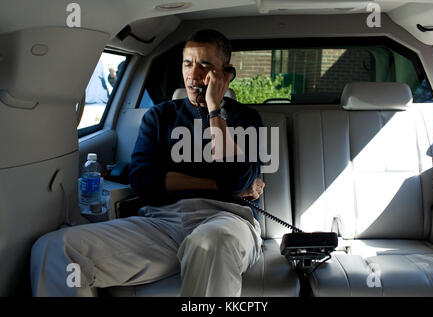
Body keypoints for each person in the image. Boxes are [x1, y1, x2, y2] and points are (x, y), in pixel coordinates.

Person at [30, 29, 265, 297]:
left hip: (227, 222)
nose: (193, 74)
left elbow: (239, 179)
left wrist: (214, 110)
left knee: (211, 242)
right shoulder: (159, 116)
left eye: (205, 65)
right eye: (188, 63)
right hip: (163, 224)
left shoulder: (245, 119)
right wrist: (218, 184)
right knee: (53, 248)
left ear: (226, 73)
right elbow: (143, 180)